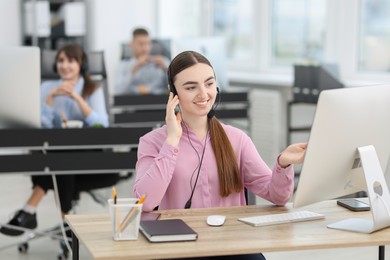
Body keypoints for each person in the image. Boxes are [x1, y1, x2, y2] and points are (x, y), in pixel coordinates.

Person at [133, 51, 307, 260]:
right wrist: (171, 141)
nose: (203, 93)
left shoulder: (236, 138)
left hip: (231, 244)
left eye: (208, 83)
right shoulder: (152, 142)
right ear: (173, 92)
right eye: (190, 87)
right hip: (179, 246)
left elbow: (277, 196)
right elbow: (145, 202)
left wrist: (283, 163)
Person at [0, 44, 119, 236]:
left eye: (71, 61)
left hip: (91, 158)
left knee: (57, 164)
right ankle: (67, 221)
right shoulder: (47, 87)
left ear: (81, 64)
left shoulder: (92, 88)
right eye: (61, 60)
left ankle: (30, 211)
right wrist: (49, 99)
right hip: (58, 155)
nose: (65, 65)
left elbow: (101, 126)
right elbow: (40, 127)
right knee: (61, 164)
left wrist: (77, 98)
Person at [114, 28, 169, 95]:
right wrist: (134, 68)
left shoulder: (163, 62)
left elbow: (174, 88)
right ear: (132, 44)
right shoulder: (123, 65)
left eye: (148, 43)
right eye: (141, 44)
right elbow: (119, 91)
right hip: (133, 102)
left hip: (158, 101)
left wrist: (166, 70)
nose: (145, 48)